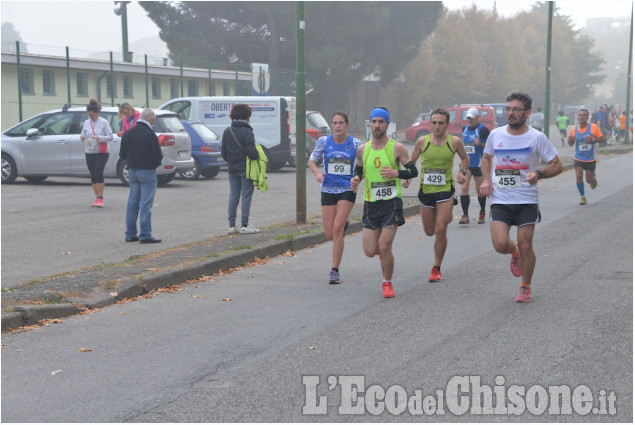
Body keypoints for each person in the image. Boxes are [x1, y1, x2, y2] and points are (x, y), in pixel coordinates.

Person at [480, 91, 563, 303]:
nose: (510, 113)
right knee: (500, 245)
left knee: (527, 244)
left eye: (516, 109)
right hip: (501, 199)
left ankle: (525, 286)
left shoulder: (536, 137)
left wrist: (540, 174)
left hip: (526, 199)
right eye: (508, 109)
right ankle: (513, 250)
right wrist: (486, 180)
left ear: (526, 113)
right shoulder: (495, 135)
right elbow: (487, 158)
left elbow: (557, 164)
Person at [350, 107, 417, 298]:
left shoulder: (396, 148)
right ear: (370, 124)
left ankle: (387, 282)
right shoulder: (363, 149)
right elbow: (359, 169)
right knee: (370, 251)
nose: (377, 125)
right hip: (371, 204)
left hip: (391, 204)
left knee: (384, 246)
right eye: (374, 121)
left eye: (381, 121)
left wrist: (398, 173)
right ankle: (383, 256)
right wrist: (356, 179)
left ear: (387, 125)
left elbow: (413, 171)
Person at [402, 108, 469, 282]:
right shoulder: (421, 142)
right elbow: (411, 163)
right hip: (426, 192)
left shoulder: (454, 142)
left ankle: (436, 267)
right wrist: (408, 177)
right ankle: (443, 217)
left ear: (448, 124)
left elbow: (465, 158)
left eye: (440, 123)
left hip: (445, 191)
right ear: (430, 123)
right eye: (434, 122)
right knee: (429, 231)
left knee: (440, 230)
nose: (437, 126)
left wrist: (462, 172)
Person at [308, 112, 362, 285]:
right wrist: (317, 174)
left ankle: (334, 271)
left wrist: (357, 179)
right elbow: (311, 161)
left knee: (337, 229)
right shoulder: (324, 141)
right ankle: (343, 225)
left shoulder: (355, 144)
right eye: (335, 123)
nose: (338, 126)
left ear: (347, 124)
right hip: (328, 188)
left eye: (341, 123)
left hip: (347, 189)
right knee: (330, 234)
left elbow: (363, 166)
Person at [120, 109, 164, 244]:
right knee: (146, 204)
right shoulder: (150, 135)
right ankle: (145, 234)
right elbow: (158, 155)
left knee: (132, 203)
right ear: (151, 120)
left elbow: (122, 154)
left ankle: (130, 234)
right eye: (154, 121)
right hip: (147, 171)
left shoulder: (128, 133)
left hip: (132, 171)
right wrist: (154, 164)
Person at [221, 103, 260, 234]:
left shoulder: (227, 131)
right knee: (246, 195)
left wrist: (232, 160)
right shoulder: (248, 131)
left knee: (233, 195)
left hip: (232, 169)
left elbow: (223, 153)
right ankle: (244, 225)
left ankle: (231, 226)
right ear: (247, 115)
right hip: (246, 169)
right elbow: (252, 153)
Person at [458, 107, 490, 225]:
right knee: (464, 188)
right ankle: (465, 215)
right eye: (468, 118)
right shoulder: (464, 129)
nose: (470, 120)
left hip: (478, 164)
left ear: (477, 117)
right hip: (466, 164)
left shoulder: (483, 130)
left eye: (472, 118)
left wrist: (481, 143)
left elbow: (491, 146)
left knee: (480, 191)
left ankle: (482, 212)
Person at [80, 98, 113, 208]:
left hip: (101, 151)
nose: (91, 117)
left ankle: (100, 198)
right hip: (90, 150)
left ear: (97, 113)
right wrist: (83, 138)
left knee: (98, 172)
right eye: (89, 115)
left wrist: (99, 137)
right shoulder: (86, 123)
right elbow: (83, 137)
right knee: (93, 174)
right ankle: (96, 197)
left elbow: (110, 137)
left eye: (93, 115)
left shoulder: (104, 122)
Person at [567, 109, 603, 205]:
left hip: (590, 158)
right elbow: (570, 144)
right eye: (580, 115)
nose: (582, 116)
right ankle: (583, 197)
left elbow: (602, 139)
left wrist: (593, 139)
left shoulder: (593, 127)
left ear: (587, 117)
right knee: (578, 176)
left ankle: (593, 178)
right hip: (578, 157)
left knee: (588, 180)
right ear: (578, 117)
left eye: (584, 115)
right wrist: (569, 139)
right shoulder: (574, 129)